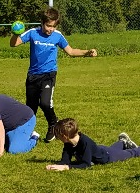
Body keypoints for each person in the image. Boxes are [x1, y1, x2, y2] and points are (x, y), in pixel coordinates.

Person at [10, 8, 97, 142]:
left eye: (53, 26)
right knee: (31, 108)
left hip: (49, 75)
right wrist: (15, 34)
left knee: (45, 103)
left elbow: (71, 51)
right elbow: (14, 44)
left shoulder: (57, 36)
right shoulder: (33, 33)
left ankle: (53, 125)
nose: (50, 29)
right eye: (48, 25)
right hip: (33, 75)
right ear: (42, 23)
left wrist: (87, 52)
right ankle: (27, 131)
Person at [45, 119, 140, 171]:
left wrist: (67, 167)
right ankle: (123, 142)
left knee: (131, 153)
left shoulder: (85, 142)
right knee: (112, 148)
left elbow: (86, 164)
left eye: (58, 135)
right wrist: (56, 166)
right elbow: (65, 160)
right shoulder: (68, 143)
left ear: (65, 136)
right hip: (101, 149)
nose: (57, 138)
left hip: (108, 156)